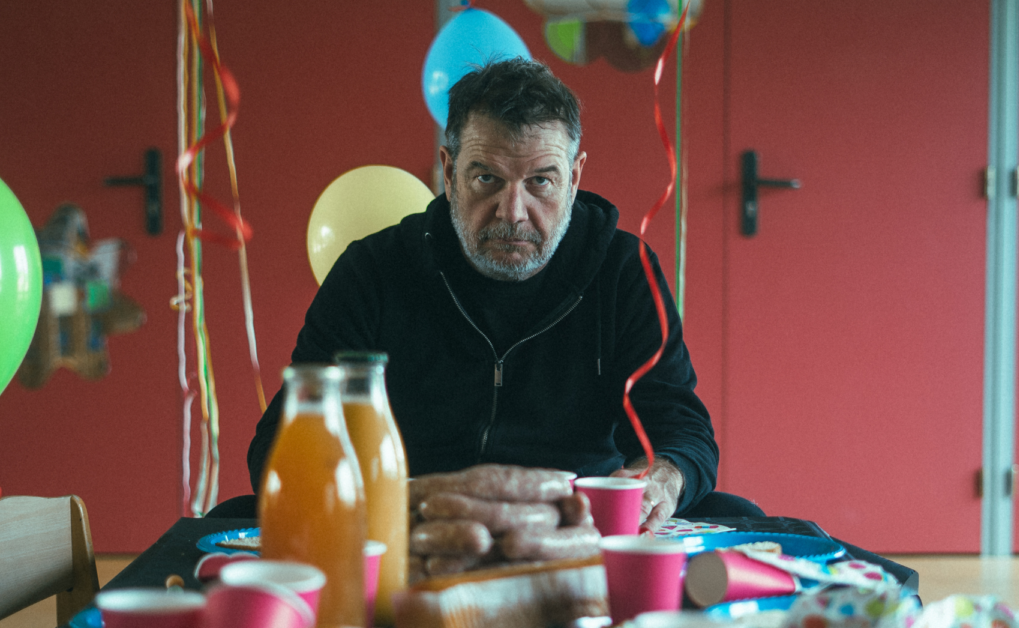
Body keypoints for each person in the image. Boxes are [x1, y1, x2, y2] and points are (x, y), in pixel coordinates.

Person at [242, 58, 762, 532]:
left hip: (574, 526)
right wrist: (392, 500)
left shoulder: (625, 270)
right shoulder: (372, 270)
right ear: (449, 173)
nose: (513, 212)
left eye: (540, 182)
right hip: (409, 521)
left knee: (738, 514)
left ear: (574, 178)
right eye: (487, 178)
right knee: (234, 515)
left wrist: (659, 481)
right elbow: (280, 445)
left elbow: (680, 430)